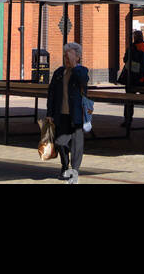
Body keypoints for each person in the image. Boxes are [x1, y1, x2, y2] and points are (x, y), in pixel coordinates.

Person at [46, 42, 89, 182]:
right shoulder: (59, 72)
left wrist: (74, 66)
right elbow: (51, 93)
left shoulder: (82, 71)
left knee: (77, 146)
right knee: (60, 142)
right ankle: (65, 165)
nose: (66, 59)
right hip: (61, 114)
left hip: (77, 115)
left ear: (78, 57)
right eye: (65, 56)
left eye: (70, 56)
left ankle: (74, 171)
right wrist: (50, 113)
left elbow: (83, 80)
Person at [120, 29, 144, 132]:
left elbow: (125, 60)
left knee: (129, 99)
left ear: (134, 38)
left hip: (136, 79)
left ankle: (128, 120)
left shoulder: (134, 47)